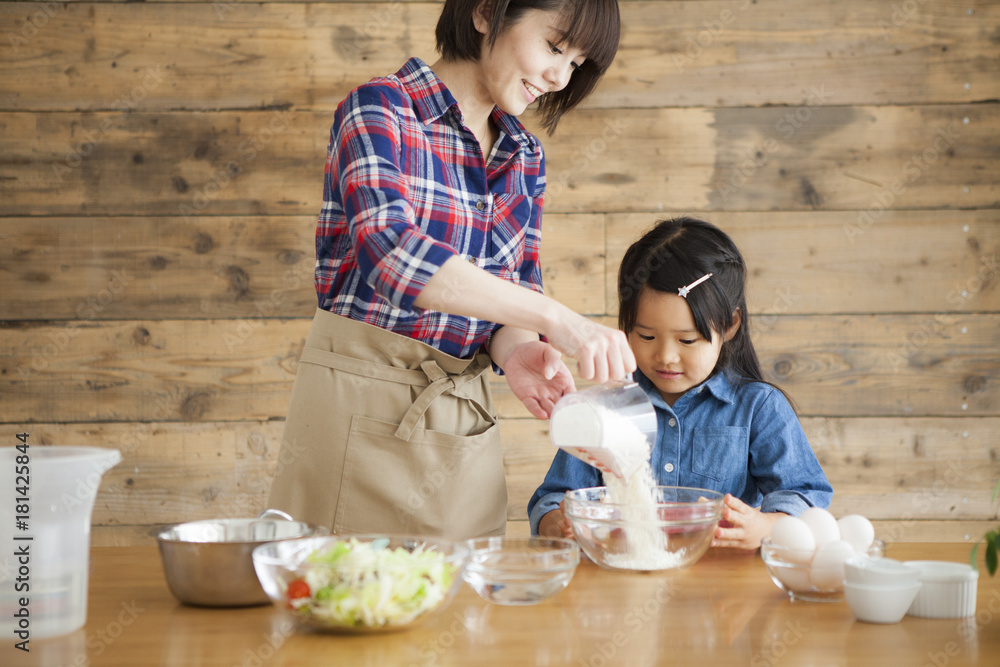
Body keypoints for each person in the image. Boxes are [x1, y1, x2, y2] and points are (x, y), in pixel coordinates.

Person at [266, 0, 633, 541]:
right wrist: (559, 319)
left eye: (576, 65)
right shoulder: (379, 111)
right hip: (354, 413)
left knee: (467, 611)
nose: (559, 76)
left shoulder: (523, 155)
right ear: (487, 13)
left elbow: (513, 289)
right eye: (555, 47)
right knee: (345, 600)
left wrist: (517, 350)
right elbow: (394, 257)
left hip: (460, 424)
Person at [529, 217, 833, 550]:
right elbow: (555, 497)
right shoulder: (610, 407)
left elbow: (806, 494)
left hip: (724, 588)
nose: (666, 356)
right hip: (625, 577)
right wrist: (556, 523)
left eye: (687, 340)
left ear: (729, 325)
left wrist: (765, 526)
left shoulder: (758, 407)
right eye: (646, 336)